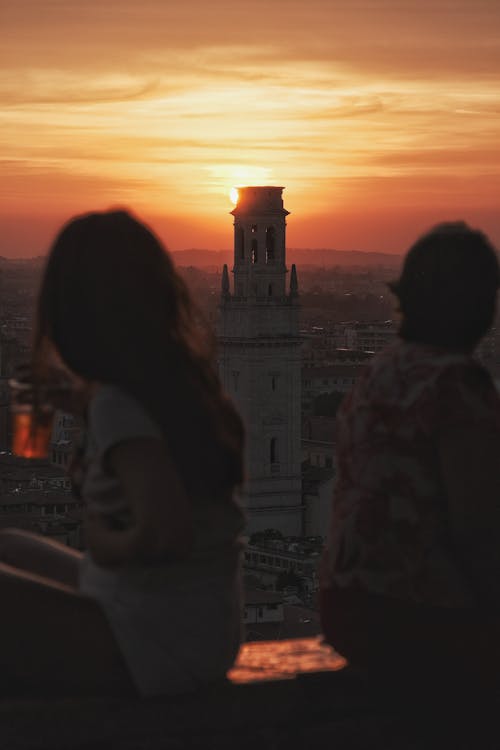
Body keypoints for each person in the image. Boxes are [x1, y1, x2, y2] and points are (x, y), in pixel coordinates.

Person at [0, 210, 246, 697]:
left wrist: (99, 539)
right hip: (193, 626)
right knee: (9, 544)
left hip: (155, 642)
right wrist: (86, 407)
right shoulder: (173, 385)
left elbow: (166, 533)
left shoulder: (119, 405)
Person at [320, 222, 500, 699]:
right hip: (421, 613)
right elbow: (479, 527)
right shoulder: (458, 384)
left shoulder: (379, 371)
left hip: (346, 607)